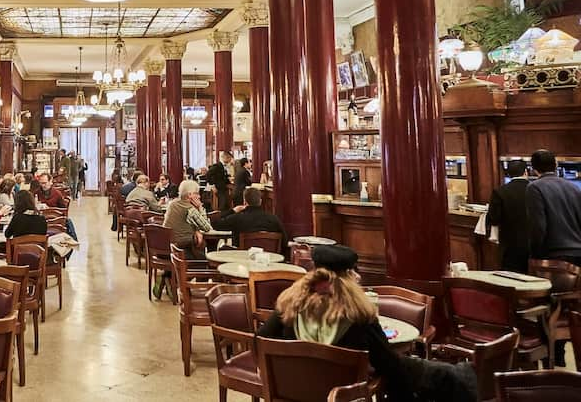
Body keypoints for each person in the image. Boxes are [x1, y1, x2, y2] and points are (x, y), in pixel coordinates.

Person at [258, 245, 475, 402]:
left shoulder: (289, 306)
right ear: (349, 277)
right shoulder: (359, 317)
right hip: (347, 392)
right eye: (354, 272)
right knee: (445, 375)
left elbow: (261, 339)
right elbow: (389, 365)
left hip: (295, 389)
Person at [156, 179, 212, 299]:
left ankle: (169, 275)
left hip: (167, 246)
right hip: (182, 249)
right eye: (197, 193)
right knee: (204, 262)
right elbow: (207, 227)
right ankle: (199, 293)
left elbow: (187, 223)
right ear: (190, 195)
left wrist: (196, 230)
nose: (199, 196)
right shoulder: (190, 209)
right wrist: (200, 208)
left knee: (200, 248)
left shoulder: (173, 204)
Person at [526, 149, 581, 266]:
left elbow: (538, 226)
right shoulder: (574, 187)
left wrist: (534, 254)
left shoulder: (534, 187)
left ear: (533, 168)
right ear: (555, 165)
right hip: (578, 252)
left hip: (554, 255)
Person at [486, 159, 532, 273]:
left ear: (508, 173)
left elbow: (494, 218)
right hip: (534, 242)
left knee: (511, 276)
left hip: (510, 243)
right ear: (526, 172)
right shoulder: (535, 189)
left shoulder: (500, 191)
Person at [216, 187, 288, 254]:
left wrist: (232, 211)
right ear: (260, 201)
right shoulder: (273, 219)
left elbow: (216, 224)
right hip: (269, 259)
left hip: (241, 259)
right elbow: (284, 241)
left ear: (245, 201)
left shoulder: (237, 218)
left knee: (222, 247)